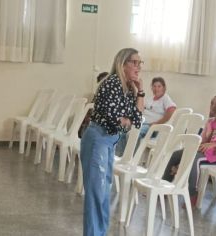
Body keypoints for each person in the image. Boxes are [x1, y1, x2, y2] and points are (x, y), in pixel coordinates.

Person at [80, 48, 144, 236]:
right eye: (134, 62)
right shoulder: (112, 83)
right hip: (97, 140)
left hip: (108, 142)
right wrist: (126, 120)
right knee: (96, 194)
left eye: (140, 63)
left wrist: (140, 91)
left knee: (103, 192)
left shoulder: (128, 87)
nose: (138, 67)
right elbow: (117, 120)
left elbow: (137, 120)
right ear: (122, 64)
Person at [163, 103, 216, 206]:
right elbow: (207, 138)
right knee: (176, 155)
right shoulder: (212, 123)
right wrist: (200, 145)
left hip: (214, 156)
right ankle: (165, 185)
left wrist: (215, 147)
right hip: (205, 150)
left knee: (194, 160)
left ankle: (193, 193)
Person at [115, 77, 176, 156]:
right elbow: (140, 109)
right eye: (154, 86)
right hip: (141, 123)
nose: (156, 88)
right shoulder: (150, 99)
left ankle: (131, 158)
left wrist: (156, 123)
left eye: (159, 86)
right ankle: (120, 157)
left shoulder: (165, 98)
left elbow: (172, 110)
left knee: (132, 134)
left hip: (151, 127)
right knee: (122, 132)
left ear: (164, 87)